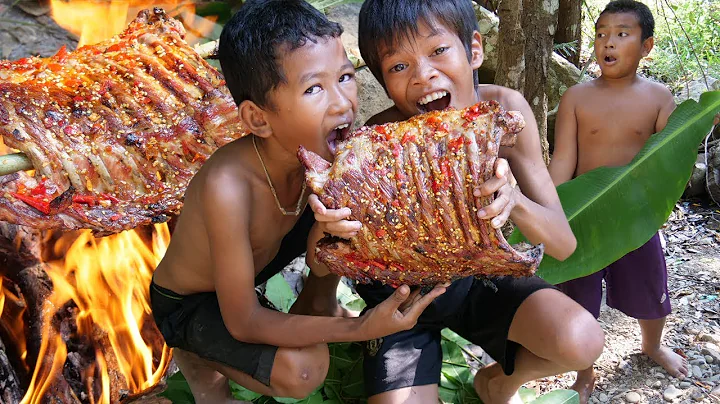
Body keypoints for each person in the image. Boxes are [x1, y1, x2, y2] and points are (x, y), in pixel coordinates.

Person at [149, 1, 446, 402]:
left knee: (339, 230)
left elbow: (326, 255)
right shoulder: (229, 186)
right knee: (304, 369)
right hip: (193, 303)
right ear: (258, 119)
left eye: (344, 77)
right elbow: (244, 322)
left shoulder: (326, 156)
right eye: (314, 89)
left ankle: (313, 315)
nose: (343, 103)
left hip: (253, 274)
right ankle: (196, 359)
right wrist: (363, 328)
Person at [309, 1, 605, 403]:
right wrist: (331, 230)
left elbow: (563, 244)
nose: (423, 75)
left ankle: (497, 382)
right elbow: (320, 257)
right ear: (383, 81)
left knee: (581, 339)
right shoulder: (378, 141)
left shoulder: (507, 110)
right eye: (398, 66)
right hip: (401, 299)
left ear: (475, 50)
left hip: (480, 277)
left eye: (438, 50)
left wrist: (514, 200)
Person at [548, 0, 689, 401]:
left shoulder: (660, 99)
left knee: (651, 288)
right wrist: (555, 211)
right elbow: (563, 160)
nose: (608, 43)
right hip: (585, 216)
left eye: (622, 34)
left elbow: (669, 161)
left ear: (647, 46)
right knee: (579, 298)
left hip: (635, 219)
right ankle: (583, 368)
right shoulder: (577, 96)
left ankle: (651, 345)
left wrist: (699, 123)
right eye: (601, 34)